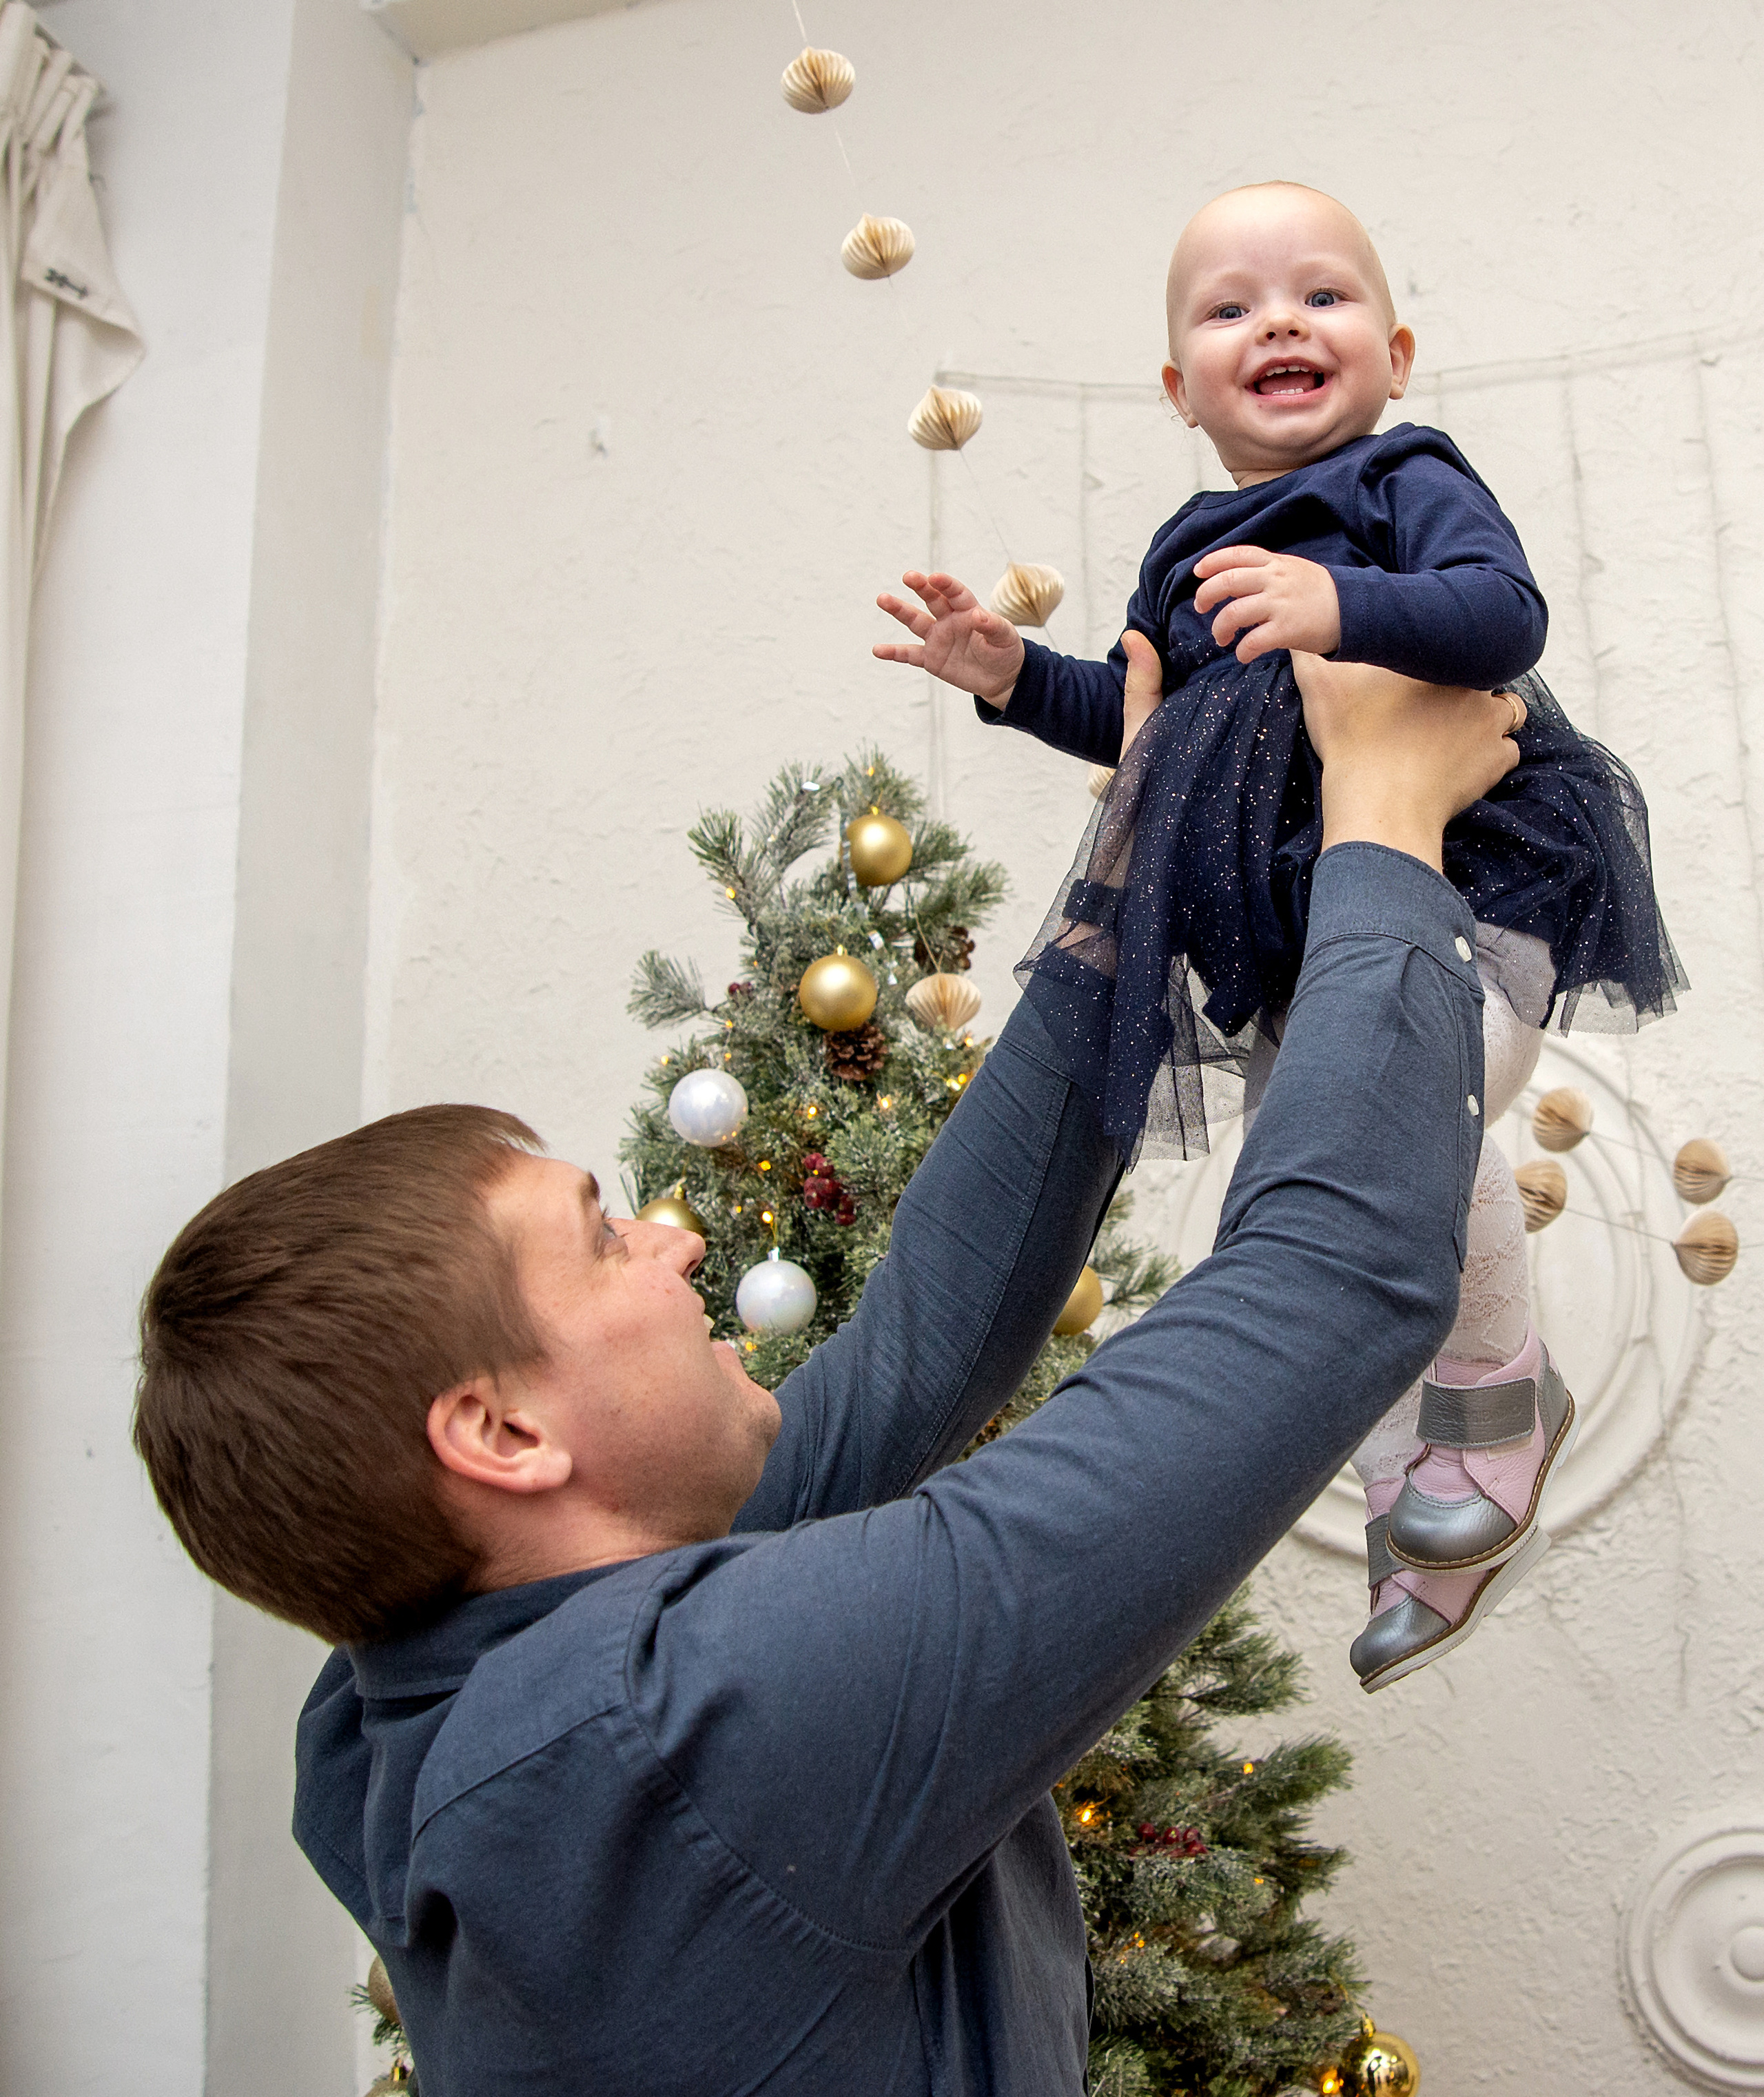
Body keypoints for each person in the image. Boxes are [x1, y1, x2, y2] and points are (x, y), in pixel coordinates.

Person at [135, 659, 1518, 2095]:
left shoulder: (421, 1701)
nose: (669, 1243)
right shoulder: (664, 1740)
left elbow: (922, 1343)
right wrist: (1384, 822)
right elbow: (1332, 1277)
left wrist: (1146, 843)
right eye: (600, 1238)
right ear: (498, 1430)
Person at [873, 181, 1684, 1692]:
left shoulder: (1402, 478)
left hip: (1457, 884)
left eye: (1320, 295)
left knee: (1376, 1151)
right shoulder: (1184, 545)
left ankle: (1489, 1410)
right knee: (1336, 1175)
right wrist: (1005, 676)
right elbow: (1147, 725)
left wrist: (1339, 599)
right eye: (1230, 308)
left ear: (1393, 348)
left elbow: (1497, 616)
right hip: (1278, 936)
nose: (1280, 324)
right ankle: (1420, 1485)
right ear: (1177, 389)